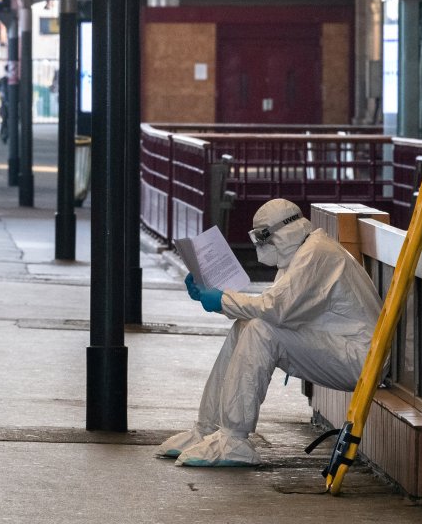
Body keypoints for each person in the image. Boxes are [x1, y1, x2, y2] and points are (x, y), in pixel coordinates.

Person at [158, 198, 382, 467]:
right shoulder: (302, 254)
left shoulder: (316, 254)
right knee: (247, 325)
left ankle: (234, 440)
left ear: (281, 234)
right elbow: (274, 307)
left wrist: (222, 300)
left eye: (263, 237)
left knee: (261, 330)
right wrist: (219, 302)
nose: (260, 246)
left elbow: (275, 309)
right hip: (342, 349)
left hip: (360, 360)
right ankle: (208, 428)